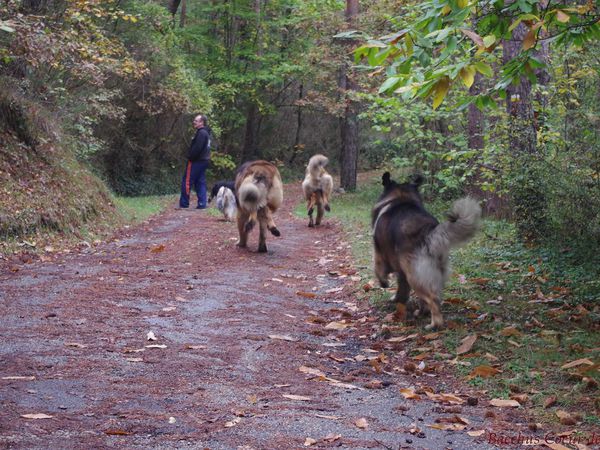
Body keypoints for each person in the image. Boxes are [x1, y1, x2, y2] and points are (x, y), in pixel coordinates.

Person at [179, 114, 211, 209]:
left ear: (202, 122)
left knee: (187, 181)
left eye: (196, 121)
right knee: (200, 181)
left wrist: (190, 157)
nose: (194, 122)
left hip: (196, 161)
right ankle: (202, 204)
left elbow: (197, 148)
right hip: (204, 161)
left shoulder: (201, 133)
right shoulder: (206, 133)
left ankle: (184, 204)